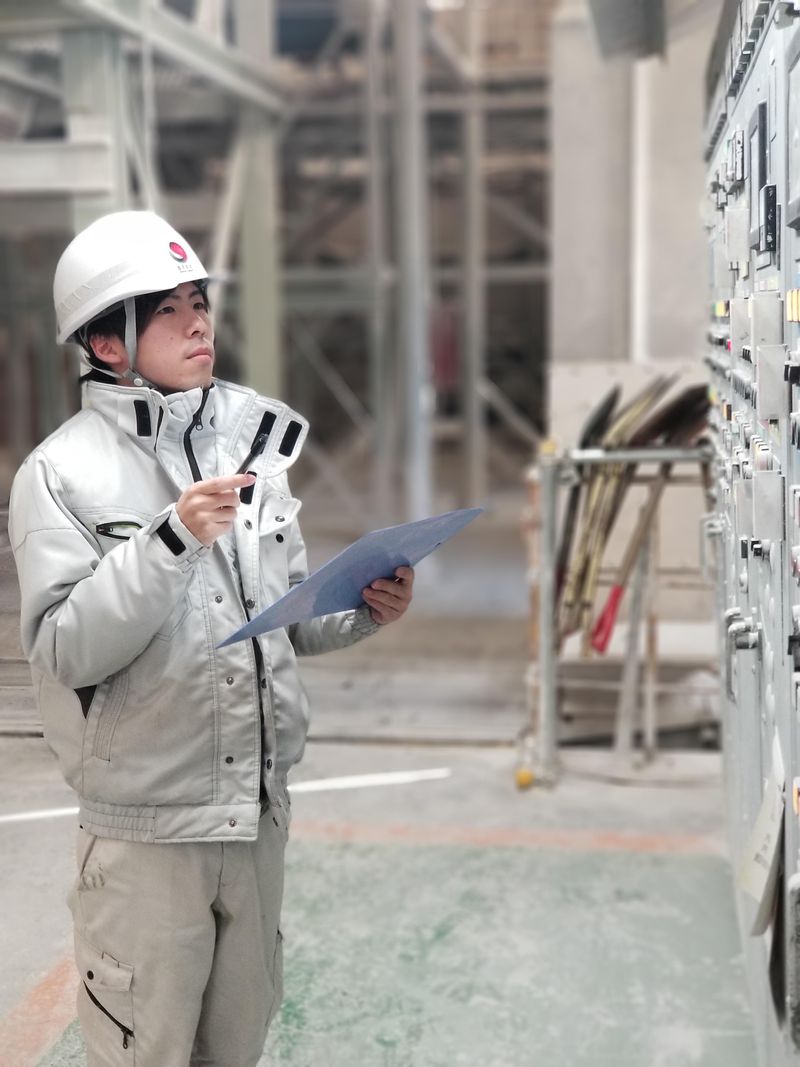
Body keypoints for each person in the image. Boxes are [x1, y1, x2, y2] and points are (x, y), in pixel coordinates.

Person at [8, 210, 414, 1066]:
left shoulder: (250, 447)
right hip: (149, 831)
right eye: (168, 310)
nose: (199, 322)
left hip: (255, 816)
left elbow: (276, 621)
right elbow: (65, 647)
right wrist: (170, 540)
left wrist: (363, 608)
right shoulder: (60, 474)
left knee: (238, 1039)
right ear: (108, 343)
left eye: (199, 301)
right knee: (146, 1046)